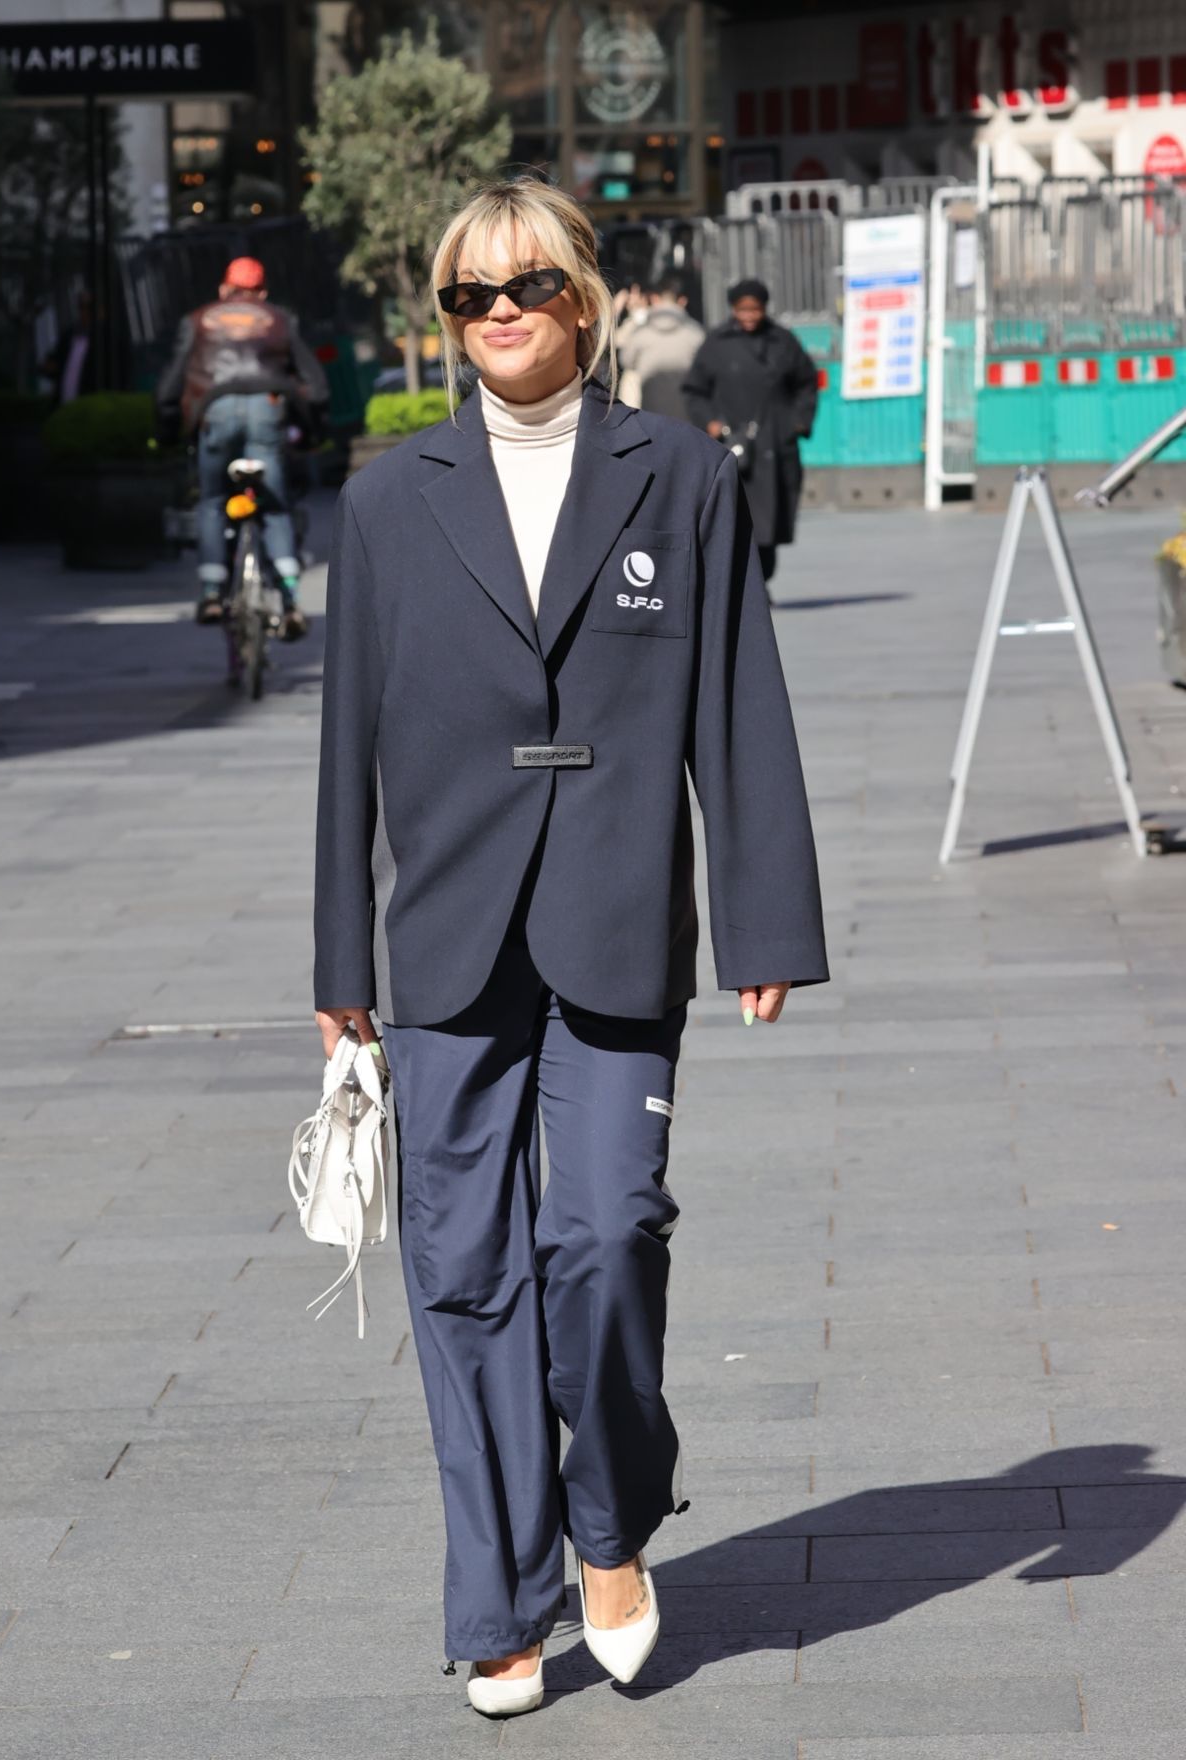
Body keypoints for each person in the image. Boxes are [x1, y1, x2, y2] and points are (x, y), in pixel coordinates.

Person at [312, 176, 827, 1718]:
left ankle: (611, 1522)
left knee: (602, 1237)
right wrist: (344, 966)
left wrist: (764, 918)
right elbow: (345, 746)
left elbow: (739, 698)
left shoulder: (675, 473)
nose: (499, 314)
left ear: (585, 296)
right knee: (460, 1275)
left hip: (615, 920)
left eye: (527, 284)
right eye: (470, 295)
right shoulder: (386, 500)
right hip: (447, 940)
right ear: (447, 317)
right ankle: (499, 1598)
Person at [156, 256, 329, 639]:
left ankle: (213, 591)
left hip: (213, 410)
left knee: (213, 500)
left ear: (224, 289)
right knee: (275, 505)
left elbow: (171, 385)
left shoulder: (198, 319)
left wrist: (168, 429)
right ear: (262, 292)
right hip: (268, 409)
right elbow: (315, 385)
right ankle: (290, 598)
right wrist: (315, 430)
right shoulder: (279, 319)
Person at [682, 276, 819, 594]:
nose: (749, 316)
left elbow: (806, 382)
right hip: (731, 447)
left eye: (754, 309)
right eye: (742, 309)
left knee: (770, 523)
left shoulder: (782, 341)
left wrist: (798, 422)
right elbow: (694, 391)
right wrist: (711, 424)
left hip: (774, 443)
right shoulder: (716, 344)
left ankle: (762, 579)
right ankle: (748, 586)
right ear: (733, 309)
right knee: (737, 517)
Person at [614, 272, 705, 422]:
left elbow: (626, 360)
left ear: (654, 299)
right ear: (682, 301)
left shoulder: (640, 332)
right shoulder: (695, 334)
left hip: (649, 415)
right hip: (687, 417)